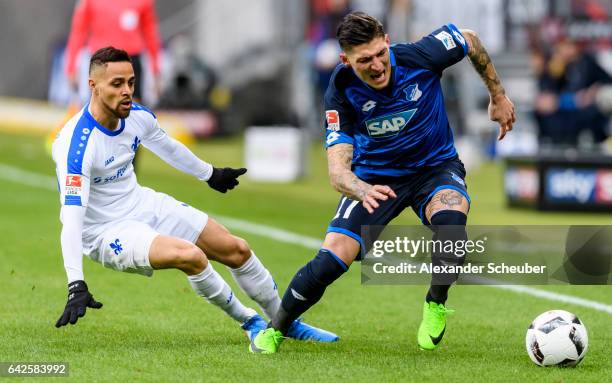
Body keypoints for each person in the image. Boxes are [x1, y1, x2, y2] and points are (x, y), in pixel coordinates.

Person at [251, 12, 515, 354]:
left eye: (380, 54)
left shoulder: (421, 55)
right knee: (332, 259)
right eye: (364, 61)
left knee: (451, 227)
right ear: (346, 60)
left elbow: (469, 39)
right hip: (375, 178)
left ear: (387, 41)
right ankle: (277, 330)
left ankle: (435, 303)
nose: (377, 66)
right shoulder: (341, 89)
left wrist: (498, 95)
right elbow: (337, 170)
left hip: (434, 168)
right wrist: (361, 189)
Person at [52, 47, 339, 345]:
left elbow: (169, 148)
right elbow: (71, 220)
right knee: (190, 256)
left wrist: (210, 174)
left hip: (142, 203)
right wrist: (76, 283)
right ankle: (250, 322)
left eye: (131, 82)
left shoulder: (138, 117)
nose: (127, 91)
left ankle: (285, 321)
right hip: (106, 231)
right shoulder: (76, 146)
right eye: (116, 84)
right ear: (93, 86)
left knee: (236, 249)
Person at [64, 0, 162, 103]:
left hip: (130, 60)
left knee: (132, 111)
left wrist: (156, 70)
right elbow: (79, 32)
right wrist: (71, 67)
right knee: (101, 109)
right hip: (102, 61)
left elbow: (150, 33)